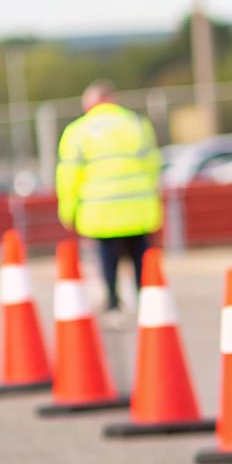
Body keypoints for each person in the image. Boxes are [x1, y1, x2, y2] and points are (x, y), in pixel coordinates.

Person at [55, 81, 164, 312]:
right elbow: (154, 165)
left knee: (107, 257)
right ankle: (147, 302)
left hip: (101, 209)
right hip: (138, 205)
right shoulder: (137, 124)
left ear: (89, 103)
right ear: (112, 99)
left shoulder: (78, 130)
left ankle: (113, 301)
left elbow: (68, 176)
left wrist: (68, 210)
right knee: (140, 255)